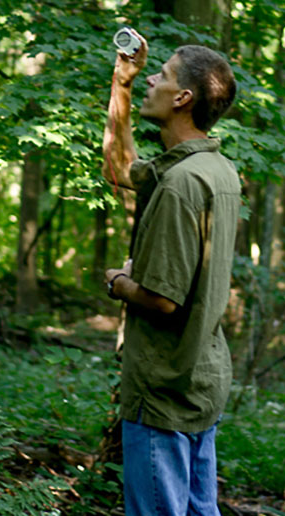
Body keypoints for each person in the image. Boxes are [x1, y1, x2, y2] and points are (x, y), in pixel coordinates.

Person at [101, 31, 239, 515]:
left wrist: (119, 282)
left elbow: (163, 299)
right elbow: (121, 168)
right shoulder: (214, 169)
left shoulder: (182, 184)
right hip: (198, 378)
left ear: (182, 98)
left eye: (160, 75)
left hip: (164, 387)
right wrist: (122, 85)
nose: (151, 80)